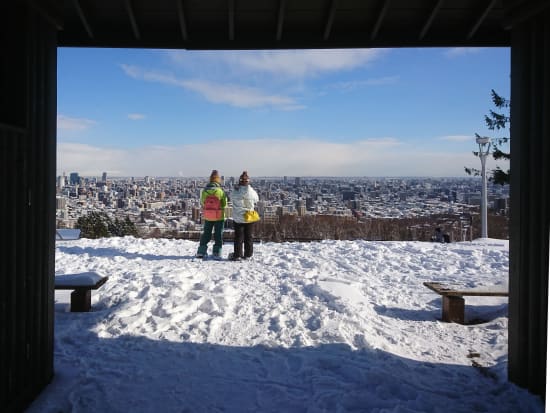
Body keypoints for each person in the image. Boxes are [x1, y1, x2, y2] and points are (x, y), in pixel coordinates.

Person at [196, 170, 227, 259]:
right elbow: (224, 204)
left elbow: (202, 202)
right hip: (219, 216)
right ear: (218, 180)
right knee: (218, 234)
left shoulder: (205, 191)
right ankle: (217, 252)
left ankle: (201, 251)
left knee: (206, 233)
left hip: (208, 216)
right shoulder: (220, 191)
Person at [230, 171, 259, 261]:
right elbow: (256, 199)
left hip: (238, 217)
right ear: (248, 181)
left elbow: (231, 198)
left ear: (240, 181)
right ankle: (248, 255)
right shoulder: (251, 191)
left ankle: (237, 255)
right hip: (249, 217)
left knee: (238, 237)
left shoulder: (235, 191)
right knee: (249, 236)